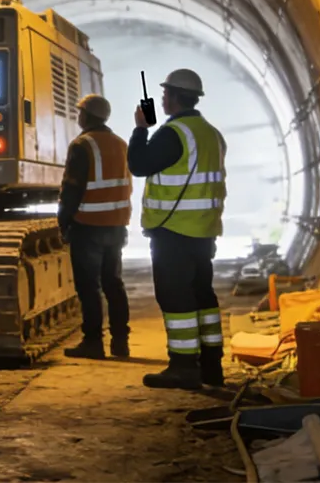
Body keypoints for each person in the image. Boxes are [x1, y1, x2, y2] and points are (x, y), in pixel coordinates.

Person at [129, 68, 227, 390]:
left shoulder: (175, 133)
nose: (161, 98)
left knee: (175, 296)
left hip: (173, 229)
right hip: (203, 230)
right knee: (202, 295)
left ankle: (183, 366)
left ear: (171, 97)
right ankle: (211, 367)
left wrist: (141, 129)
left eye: (164, 94)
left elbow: (140, 165)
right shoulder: (211, 133)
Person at [57, 94, 132, 360]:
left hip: (88, 226)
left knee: (89, 287)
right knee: (114, 284)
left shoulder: (82, 145)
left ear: (86, 116)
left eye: (80, 112)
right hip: (116, 226)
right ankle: (121, 343)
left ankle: (93, 343)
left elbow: (72, 189)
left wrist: (63, 222)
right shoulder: (121, 144)